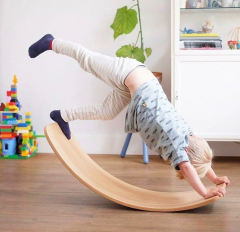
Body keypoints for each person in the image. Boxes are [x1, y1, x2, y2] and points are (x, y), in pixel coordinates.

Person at [28, 34, 230, 199]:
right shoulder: (177, 141)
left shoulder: (187, 135)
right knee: (86, 59)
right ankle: (52, 42)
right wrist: (204, 192)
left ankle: (62, 116)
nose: (179, 163)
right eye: (185, 161)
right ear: (185, 152)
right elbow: (188, 166)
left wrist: (214, 179)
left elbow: (198, 158)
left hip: (133, 84)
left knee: (106, 112)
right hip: (127, 72)